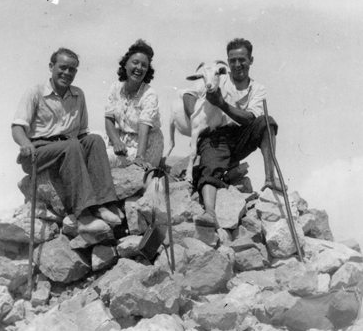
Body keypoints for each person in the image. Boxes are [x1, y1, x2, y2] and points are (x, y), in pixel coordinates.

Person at [12, 47, 121, 234]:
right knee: (71, 145)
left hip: (69, 147)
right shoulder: (35, 93)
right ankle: (83, 215)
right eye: (62, 67)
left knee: (94, 140)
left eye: (72, 69)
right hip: (39, 151)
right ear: (51, 67)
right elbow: (17, 127)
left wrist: (90, 152)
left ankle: (103, 204)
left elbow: (82, 133)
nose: (67, 73)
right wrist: (25, 143)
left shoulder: (78, 95)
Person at [183, 38, 281, 228]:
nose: (237, 65)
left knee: (267, 122)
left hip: (240, 137)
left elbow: (250, 118)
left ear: (251, 60)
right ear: (227, 62)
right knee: (210, 167)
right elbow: (189, 94)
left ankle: (270, 178)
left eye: (242, 59)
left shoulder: (257, 89)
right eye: (233, 60)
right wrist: (197, 122)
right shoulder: (216, 77)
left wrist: (221, 104)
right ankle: (210, 213)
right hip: (215, 136)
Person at [104, 39, 164, 171]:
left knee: (102, 157)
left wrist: (140, 157)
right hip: (121, 139)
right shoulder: (115, 87)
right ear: (125, 64)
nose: (139, 68)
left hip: (145, 146)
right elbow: (109, 119)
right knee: (93, 142)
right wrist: (116, 142)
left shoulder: (149, 95)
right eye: (135, 62)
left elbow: (144, 129)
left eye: (144, 65)